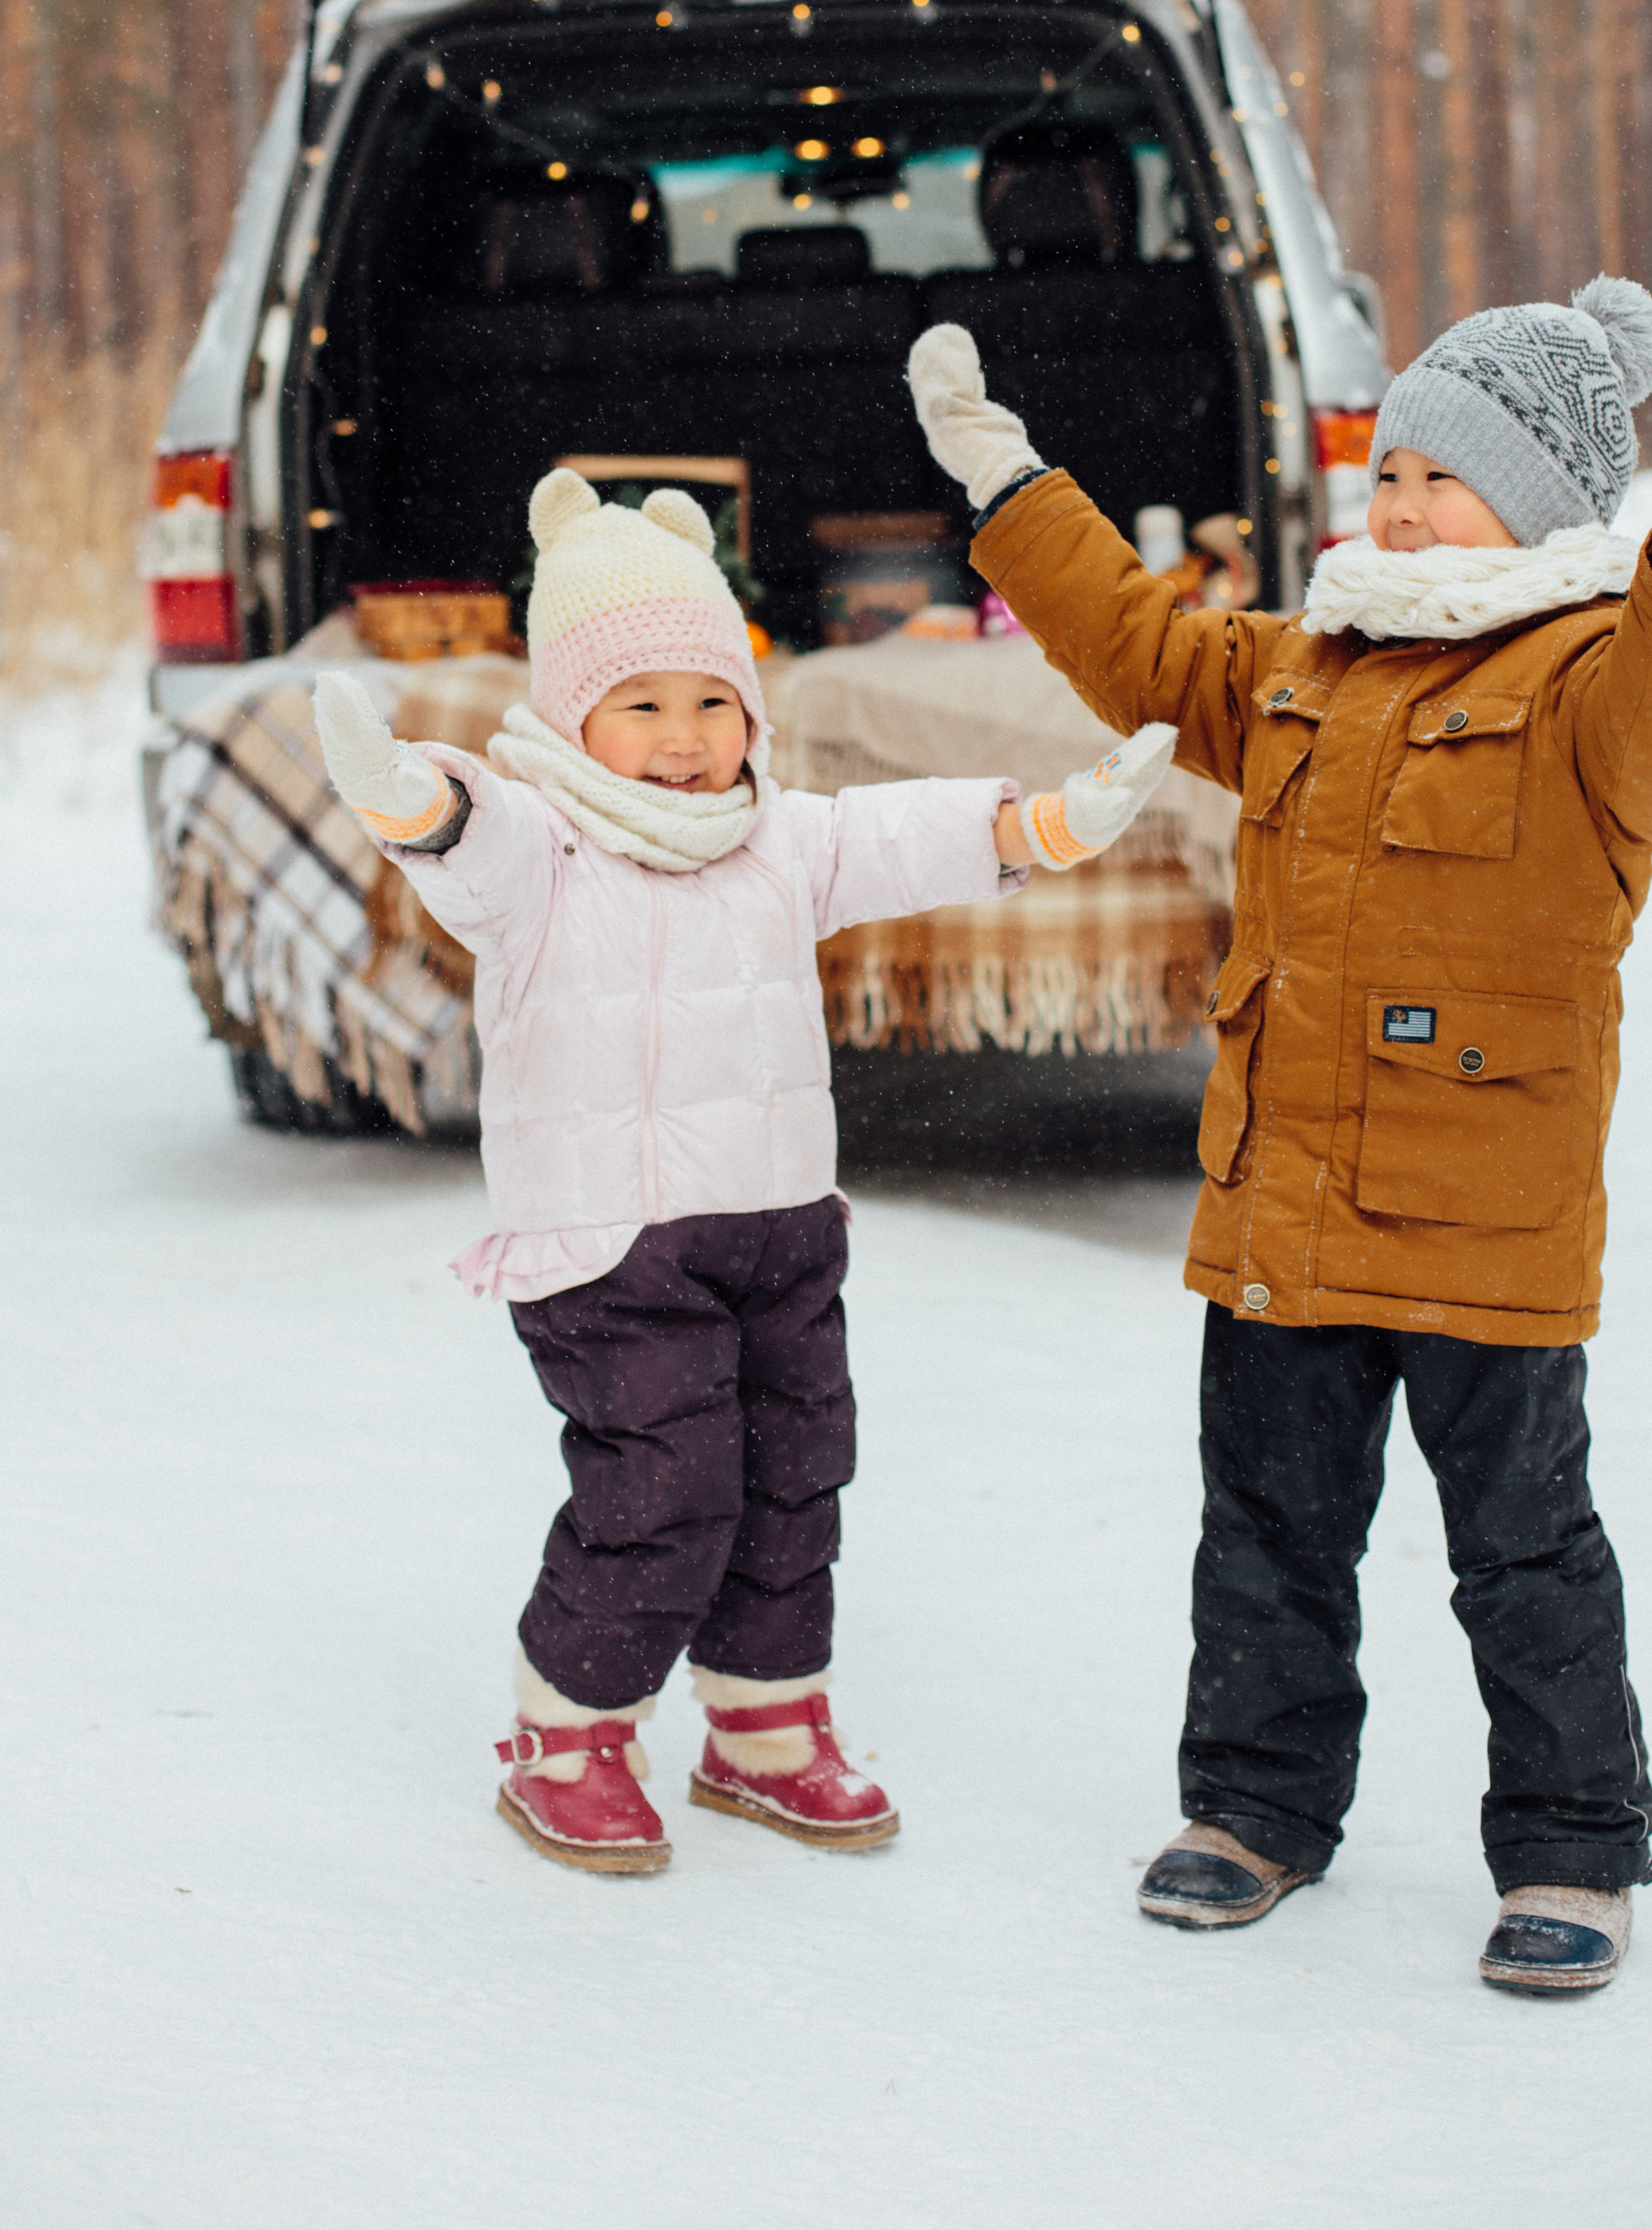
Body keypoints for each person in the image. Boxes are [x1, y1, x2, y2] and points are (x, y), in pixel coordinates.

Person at [908, 278, 1652, 1994]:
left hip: (1480, 1215)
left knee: (1519, 1545)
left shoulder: (1585, 684)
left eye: (1446, 474)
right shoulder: (1300, 666)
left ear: (1550, 497)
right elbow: (1138, 644)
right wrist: (1007, 484)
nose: (1402, 503)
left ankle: (1570, 1847)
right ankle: (1254, 1809)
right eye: (1392, 470)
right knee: (1263, 1523)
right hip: (1281, 1198)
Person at [313, 468, 1176, 1878]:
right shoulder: (547, 845)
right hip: (610, 1246)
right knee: (664, 1487)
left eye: (712, 702)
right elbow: (469, 843)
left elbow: (902, 833)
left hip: (780, 1227)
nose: (684, 738)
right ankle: (568, 1734)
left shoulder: (781, 837)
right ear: (571, 713)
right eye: (642, 704)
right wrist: (407, 794)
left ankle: (765, 1730)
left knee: (793, 1480)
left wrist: (1048, 824)